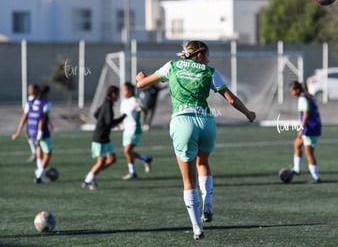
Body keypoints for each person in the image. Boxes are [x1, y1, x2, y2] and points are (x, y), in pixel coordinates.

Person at [136, 41, 256, 240]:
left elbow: (142, 84)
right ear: (199, 55)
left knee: (187, 179)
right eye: (207, 54)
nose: (209, 58)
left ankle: (197, 227)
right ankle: (207, 202)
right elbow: (231, 98)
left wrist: (140, 77)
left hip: (183, 122)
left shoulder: (172, 66)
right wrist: (248, 113)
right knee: (203, 162)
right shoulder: (210, 72)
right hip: (206, 123)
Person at [82, 85, 126, 190]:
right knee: (101, 162)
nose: (118, 96)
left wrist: (102, 121)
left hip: (105, 137)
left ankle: (92, 175)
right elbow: (109, 122)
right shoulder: (108, 104)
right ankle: (88, 180)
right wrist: (123, 117)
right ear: (112, 94)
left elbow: (96, 114)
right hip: (100, 137)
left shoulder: (106, 103)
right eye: (117, 94)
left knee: (112, 159)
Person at [12, 84, 53, 184]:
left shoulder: (31, 101)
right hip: (41, 132)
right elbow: (41, 120)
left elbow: (25, 117)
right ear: (47, 93)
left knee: (39, 149)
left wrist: (19, 132)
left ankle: (39, 171)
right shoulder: (46, 103)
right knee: (48, 154)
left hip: (31, 130)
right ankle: (39, 176)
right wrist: (40, 134)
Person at [288, 80, 322, 183]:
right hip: (314, 126)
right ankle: (296, 169)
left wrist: (301, 129)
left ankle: (316, 177)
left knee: (309, 153)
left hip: (309, 128)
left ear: (297, 90)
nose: (291, 93)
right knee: (297, 144)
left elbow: (306, 115)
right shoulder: (308, 96)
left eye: (291, 91)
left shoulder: (303, 98)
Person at [120, 82, 153, 180]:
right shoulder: (123, 101)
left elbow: (145, 111)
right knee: (128, 152)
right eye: (122, 90)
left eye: (124, 90)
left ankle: (133, 172)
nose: (122, 92)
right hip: (126, 129)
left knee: (127, 151)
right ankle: (145, 159)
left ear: (130, 90)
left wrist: (141, 107)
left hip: (134, 128)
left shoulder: (135, 99)